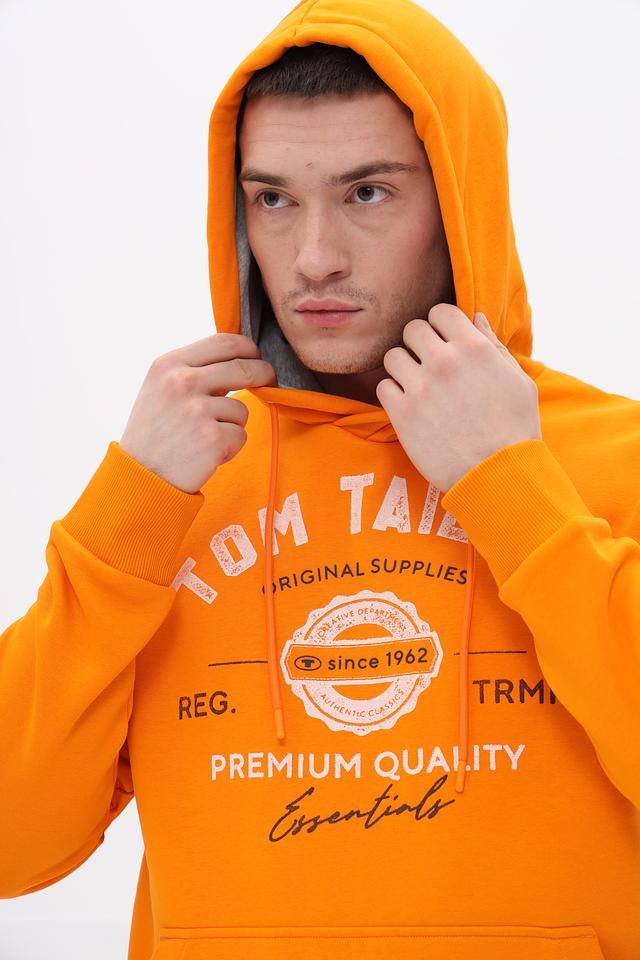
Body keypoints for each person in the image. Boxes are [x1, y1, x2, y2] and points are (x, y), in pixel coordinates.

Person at [1, 0, 639, 957]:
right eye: (273, 199)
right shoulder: (182, 478)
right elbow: (12, 845)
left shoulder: (611, 458)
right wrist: (124, 516)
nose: (314, 259)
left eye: (367, 193)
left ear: (460, 202)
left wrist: (511, 486)